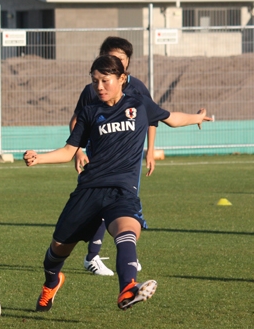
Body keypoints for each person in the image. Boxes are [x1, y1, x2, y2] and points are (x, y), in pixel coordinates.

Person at [25, 55, 211, 312]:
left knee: (128, 231)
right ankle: (51, 283)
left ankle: (127, 288)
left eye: (105, 80)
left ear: (122, 79)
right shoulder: (91, 112)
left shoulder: (140, 104)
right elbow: (69, 150)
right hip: (89, 190)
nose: (99, 87)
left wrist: (196, 118)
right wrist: (39, 158)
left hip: (122, 191)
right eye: (95, 81)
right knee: (58, 250)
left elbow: (171, 118)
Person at [70, 37, 153, 276]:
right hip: (100, 161)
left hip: (128, 162)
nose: (118, 61)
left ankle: (125, 256)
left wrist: (151, 150)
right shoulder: (92, 90)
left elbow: (154, 117)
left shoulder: (137, 88)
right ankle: (93, 256)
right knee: (102, 207)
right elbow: (77, 120)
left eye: (122, 58)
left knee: (123, 208)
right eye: (113, 57)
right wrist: (78, 150)